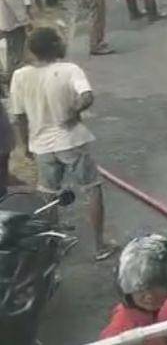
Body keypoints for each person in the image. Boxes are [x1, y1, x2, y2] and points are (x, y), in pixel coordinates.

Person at [11, 26, 118, 261]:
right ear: (56, 47)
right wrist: (73, 112)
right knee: (92, 189)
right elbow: (87, 96)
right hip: (71, 141)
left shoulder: (20, 76)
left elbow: (18, 116)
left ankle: (54, 244)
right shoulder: (69, 70)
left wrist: (25, 145)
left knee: (49, 195)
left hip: (41, 146)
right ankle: (100, 246)